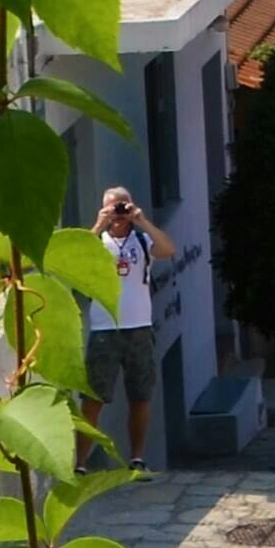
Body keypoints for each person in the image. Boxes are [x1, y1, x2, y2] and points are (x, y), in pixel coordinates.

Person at [86, 184, 162, 466]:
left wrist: (141, 220)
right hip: (105, 329)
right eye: (114, 207)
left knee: (140, 397)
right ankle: (81, 463)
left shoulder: (142, 241)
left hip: (139, 328)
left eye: (123, 207)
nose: (119, 213)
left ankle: (137, 457)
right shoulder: (98, 243)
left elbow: (168, 249)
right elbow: (76, 255)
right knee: (93, 397)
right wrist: (99, 224)